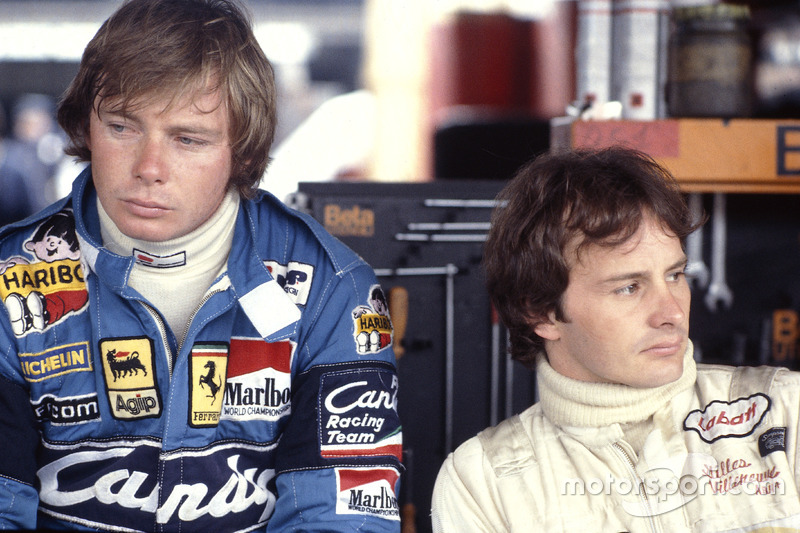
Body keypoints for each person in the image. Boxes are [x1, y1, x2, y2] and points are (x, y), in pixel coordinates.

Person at [0, 1, 403, 531]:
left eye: (188, 139)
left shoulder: (332, 290)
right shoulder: (12, 281)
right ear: (85, 125)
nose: (149, 168)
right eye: (122, 127)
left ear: (242, 151)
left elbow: (341, 513)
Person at [431, 147, 800, 531]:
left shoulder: (786, 412)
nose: (672, 313)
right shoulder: (483, 484)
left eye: (675, 275)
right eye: (628, 288)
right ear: (540, 312)